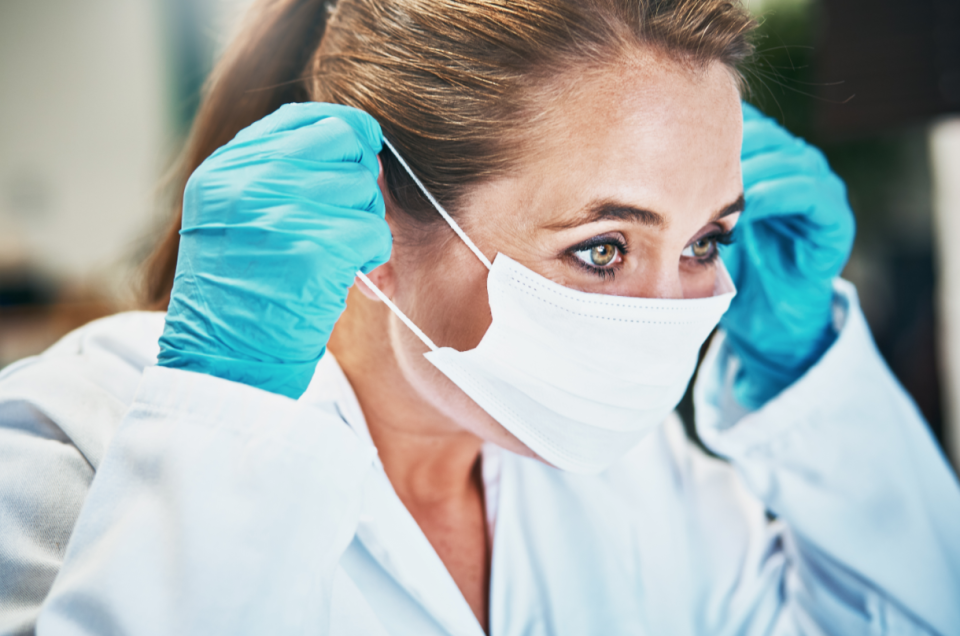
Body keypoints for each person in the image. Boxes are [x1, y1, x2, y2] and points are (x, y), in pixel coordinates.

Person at [1, 0, 958, 633]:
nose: (676, 314)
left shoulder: (622, 474)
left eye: (706, 240)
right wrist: (225, 426)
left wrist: (807, 376)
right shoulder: (66, 446)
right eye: (603, 248)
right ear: (375, 212)